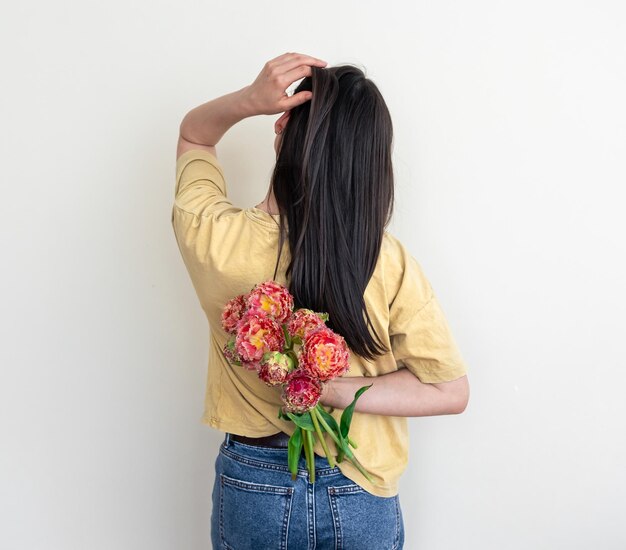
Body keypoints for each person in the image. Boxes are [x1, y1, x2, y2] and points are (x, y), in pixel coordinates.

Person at [171, 52, 470, 550]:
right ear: (372, 161)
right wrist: (330, 389)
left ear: (284, 129)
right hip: (361, 487)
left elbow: (195, 134)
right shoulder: (386, 261)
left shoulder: (217, 242)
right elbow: (448, 391)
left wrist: (249, 100)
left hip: (255, 489)